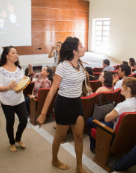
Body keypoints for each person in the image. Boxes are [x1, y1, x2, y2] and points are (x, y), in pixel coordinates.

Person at [37, 37, 88, 173]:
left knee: (78, 136)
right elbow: (52, 90)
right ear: (74, 50)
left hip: (77, 103)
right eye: (81, 46)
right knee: (60, 136)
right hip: (63, 104)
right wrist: (42, 114)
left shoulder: (80, 64)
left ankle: (79, 166)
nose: (84, 48)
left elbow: (80, 82)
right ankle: (54, 160)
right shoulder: (62, 66)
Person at [87, 77, 136, 152]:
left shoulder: (123, 105)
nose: (120, 88)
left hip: (115, 133)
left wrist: (113, 117)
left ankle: (94, 147)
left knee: (90, 120)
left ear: (128, 89)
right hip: (128, 132)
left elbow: (106, 119)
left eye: (122, 86)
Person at [0, 46, 28, 152]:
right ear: (6, 55)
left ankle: (18, 138)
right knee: (10, 122)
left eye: (16, 53)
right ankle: (12, 142)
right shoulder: (0, 71)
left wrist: (25, 80)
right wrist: (8, 87)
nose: (16, 55)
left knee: (24, 120)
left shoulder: (19, 68)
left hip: (19, 99)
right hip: (7, 101)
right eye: (13, 53)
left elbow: (21, 82)